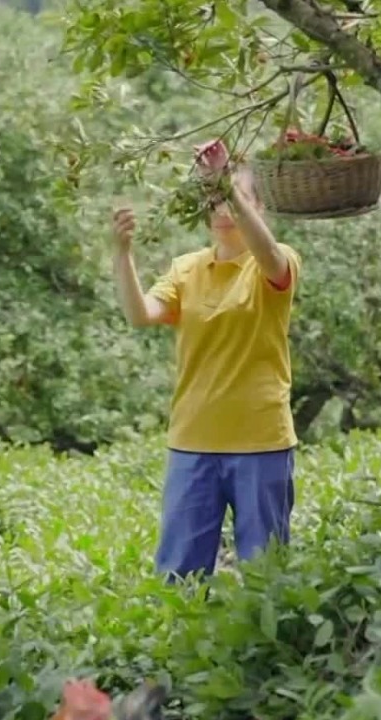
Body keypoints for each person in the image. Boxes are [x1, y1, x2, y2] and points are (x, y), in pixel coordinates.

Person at [110, 138, 303, 580]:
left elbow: (270, 257)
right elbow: (141, 314)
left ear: (259, 206)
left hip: (261, 442)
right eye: (213, 197)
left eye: (235, 197)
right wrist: (122, 254)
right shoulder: (186, 268)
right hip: (193, 440)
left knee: (266, 573)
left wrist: (226, 184)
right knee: (179, 574)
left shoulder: (277, 263)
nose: (222, 207)